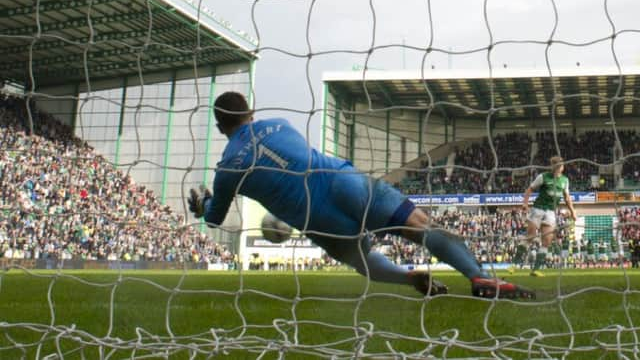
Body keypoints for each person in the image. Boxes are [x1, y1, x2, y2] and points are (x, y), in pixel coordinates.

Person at [188, 91, 534, 299]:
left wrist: (203, 205)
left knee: (362, 260)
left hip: (315, 219)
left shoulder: (227, 167)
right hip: (341, 182)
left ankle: (409, 278)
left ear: (220, 128)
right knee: (420, 227)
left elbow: (215, 217)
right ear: (250, 111)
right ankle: (479, 277)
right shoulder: (280, 122)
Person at [512, 156, 577, 276]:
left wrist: (572, 211)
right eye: (557, 165)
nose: (559, 167)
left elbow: (567, 198)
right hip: (538, 209)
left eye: (560, 165)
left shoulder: (565, 180)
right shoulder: (543, 177)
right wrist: (525, 204)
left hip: (551, 212)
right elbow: (529, 190)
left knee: (546, 241)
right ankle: (514, 265)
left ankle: (536, 269)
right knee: (530, 237)